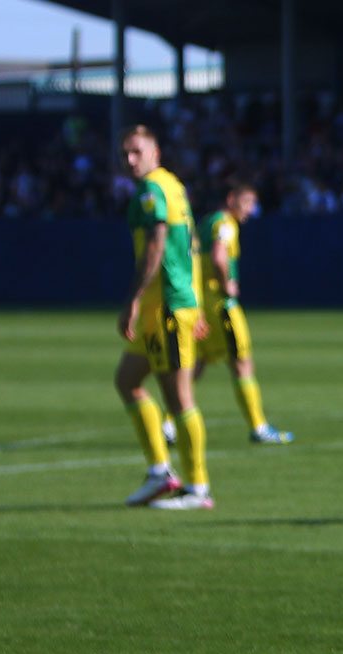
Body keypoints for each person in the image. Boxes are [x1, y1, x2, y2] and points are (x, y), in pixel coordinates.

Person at [113, 125, 213, 509]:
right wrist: (196, 303)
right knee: (127, 380)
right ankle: (159, 473)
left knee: (179, 398)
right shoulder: (173, 186)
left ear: (155, 152)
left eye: (137, 152)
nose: (130, 160)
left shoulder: (152, 190)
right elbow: (190, 246)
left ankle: (197, 488)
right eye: (125, 153)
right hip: (167, 306)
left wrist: (133, 299)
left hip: (167, 306)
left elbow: (157, 246)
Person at [195, 182, 293, 445]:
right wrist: (225, 283)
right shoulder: (225, 223)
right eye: (247, 202)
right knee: (242, 362)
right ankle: (258, 427)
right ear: (231, 199)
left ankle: (170, 424)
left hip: (200, 303)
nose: (251, 209)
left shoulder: (207, 222)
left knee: (197, 363)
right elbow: (219, 257)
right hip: (219, 304)